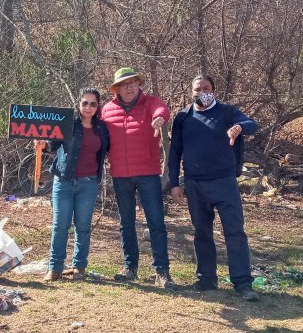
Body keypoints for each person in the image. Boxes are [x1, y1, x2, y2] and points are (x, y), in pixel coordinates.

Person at [167, 75, 260, 301]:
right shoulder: (183, 117)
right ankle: (206, 279)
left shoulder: (228, 112)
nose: (202, 92)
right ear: (192, 92)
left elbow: (252, 125)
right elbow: (175, 152)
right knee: (202, 232)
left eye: (206, 88)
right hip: (195, 183)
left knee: (235, 231)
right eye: (198, 89)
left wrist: (238, 127)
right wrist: (174, 183)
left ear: (214, 90)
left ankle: (243, 283)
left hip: (224, 181)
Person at [100, 67, 177, 290]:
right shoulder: (106, 110)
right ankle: (129, 268)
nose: (129, 87)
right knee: (126, 223)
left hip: (148, 174)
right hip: (120, 176)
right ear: (116, 89)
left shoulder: (150, 102)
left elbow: (162, 109)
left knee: (156, 223)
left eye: (133, 82)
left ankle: (162, 272)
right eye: (124, 84)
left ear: (138, 84)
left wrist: (159, 119)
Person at [41, 88, 110, 281]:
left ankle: (79, 267)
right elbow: (51, 145)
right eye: (85, 103)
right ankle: (54, 268)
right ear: (79, 104)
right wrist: (42, 144)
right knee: (60, 225)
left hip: (88, 184)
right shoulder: (67, 123)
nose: (88, 107)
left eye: (93, 104)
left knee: (83, 226)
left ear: (98, 107)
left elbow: (112, 149)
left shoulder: (102, 128)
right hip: (63, 181)